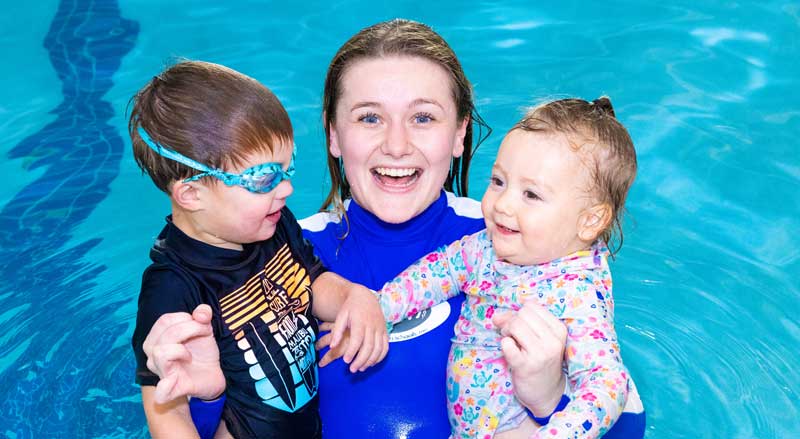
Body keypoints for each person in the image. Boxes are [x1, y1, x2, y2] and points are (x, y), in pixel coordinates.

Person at [142, 20, 630, 439]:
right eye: (370, 117)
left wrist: (547, 398)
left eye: (423, 117)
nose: (396, 145)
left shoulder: (524, 243)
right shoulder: (271, 253)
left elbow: (627, 416)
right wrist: (207, 399)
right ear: (334, 134)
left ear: (459, 133)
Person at [128, 60, 387, 439]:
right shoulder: (172, 288)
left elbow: (312, 281)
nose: (286, 189)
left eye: (287, 167)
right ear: (192, 194)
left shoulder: (272, 221)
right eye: (264, 178)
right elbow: (166, 411)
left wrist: (353, 296)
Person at [376, 97, 646, 438]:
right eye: (498, 181)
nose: (502, 204)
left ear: (590, 220)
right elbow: (437, 271)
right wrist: (377, 309)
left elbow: (607, 384)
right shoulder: (486, 248)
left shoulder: (577, 292)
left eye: (531, 195)